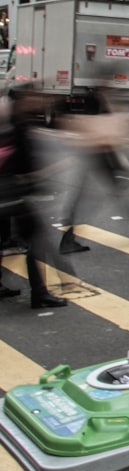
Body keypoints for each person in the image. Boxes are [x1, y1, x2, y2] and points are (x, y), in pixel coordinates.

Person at [58, 84, 129, 253]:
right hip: (103, 154)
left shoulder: (95, 101)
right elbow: (102, 130)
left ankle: (68, 237)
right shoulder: (96, 101)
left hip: (96, 154)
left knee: (88, 199)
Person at [0, 91, 67, 309]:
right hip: (14, 195)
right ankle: (39, 294)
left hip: (10, 193)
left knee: (10, 242)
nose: (40, 102)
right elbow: (26, 168)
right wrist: (56, 169)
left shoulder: (12, 122)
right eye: (34, 98)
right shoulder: (18, 126)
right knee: (36, 244)